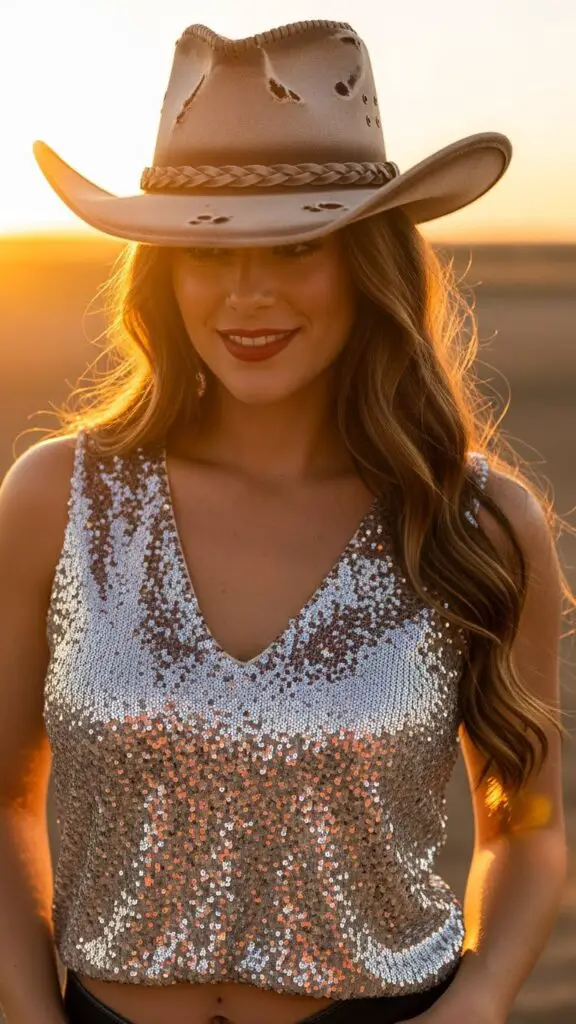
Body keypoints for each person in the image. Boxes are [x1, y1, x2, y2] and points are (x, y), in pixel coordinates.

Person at [0, 17, 571, 1024]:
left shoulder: (476, 523)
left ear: (369, 263)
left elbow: (527, 823)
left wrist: (477, 1002)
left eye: (299, 243)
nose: (245, 293)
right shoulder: (57, 499)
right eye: (203, 252)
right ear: (159, 272)